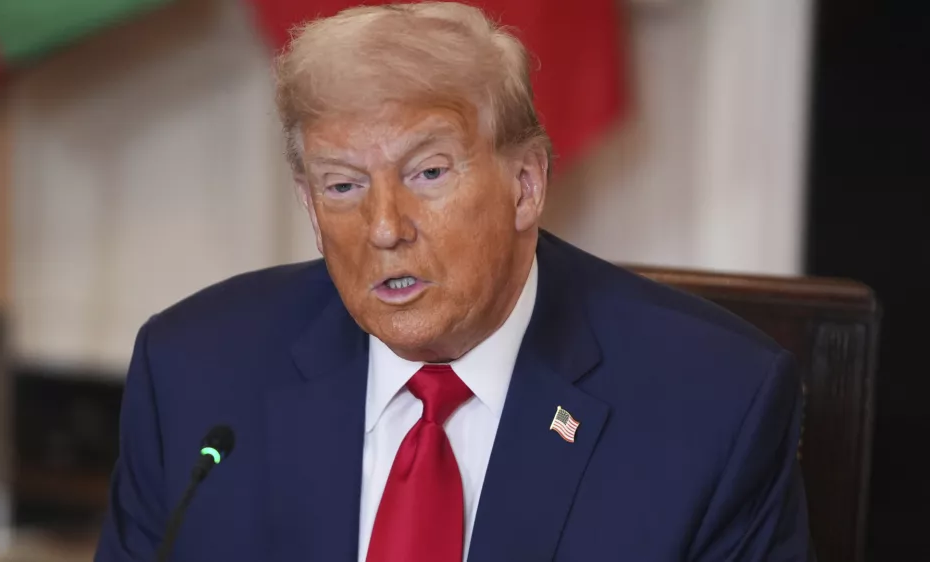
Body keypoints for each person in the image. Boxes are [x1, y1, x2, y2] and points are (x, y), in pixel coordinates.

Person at [94, 2, 812, 561]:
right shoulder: (194, 376)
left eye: (427, 172)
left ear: (525, 184)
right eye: (342, 186)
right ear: (310, 205)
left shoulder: (711, 406)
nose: (384, 226)